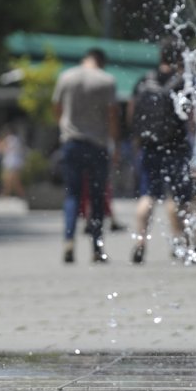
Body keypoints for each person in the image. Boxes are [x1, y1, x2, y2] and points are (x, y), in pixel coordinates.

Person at [128, 39, 196, 264]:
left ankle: (140, 243)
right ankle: (179, 243)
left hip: (149, 146)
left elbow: (132, 113)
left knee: (147, 196)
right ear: (179, 59)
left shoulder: (144, 81)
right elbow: (191, 118)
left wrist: (137, 140)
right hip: (176, 146)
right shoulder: (182, 83)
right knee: (175, 197)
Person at [52, 48, 119, 264]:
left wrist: (64, 127)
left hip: (71, 142)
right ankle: (97, 248)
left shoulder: (67, 77)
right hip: (97, 144)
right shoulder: (106, 80)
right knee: (97, 197)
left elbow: (56, 107)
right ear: (101, 61)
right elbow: (112, 115)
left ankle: (68, 241)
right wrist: (114, 144)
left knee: (72, 194)